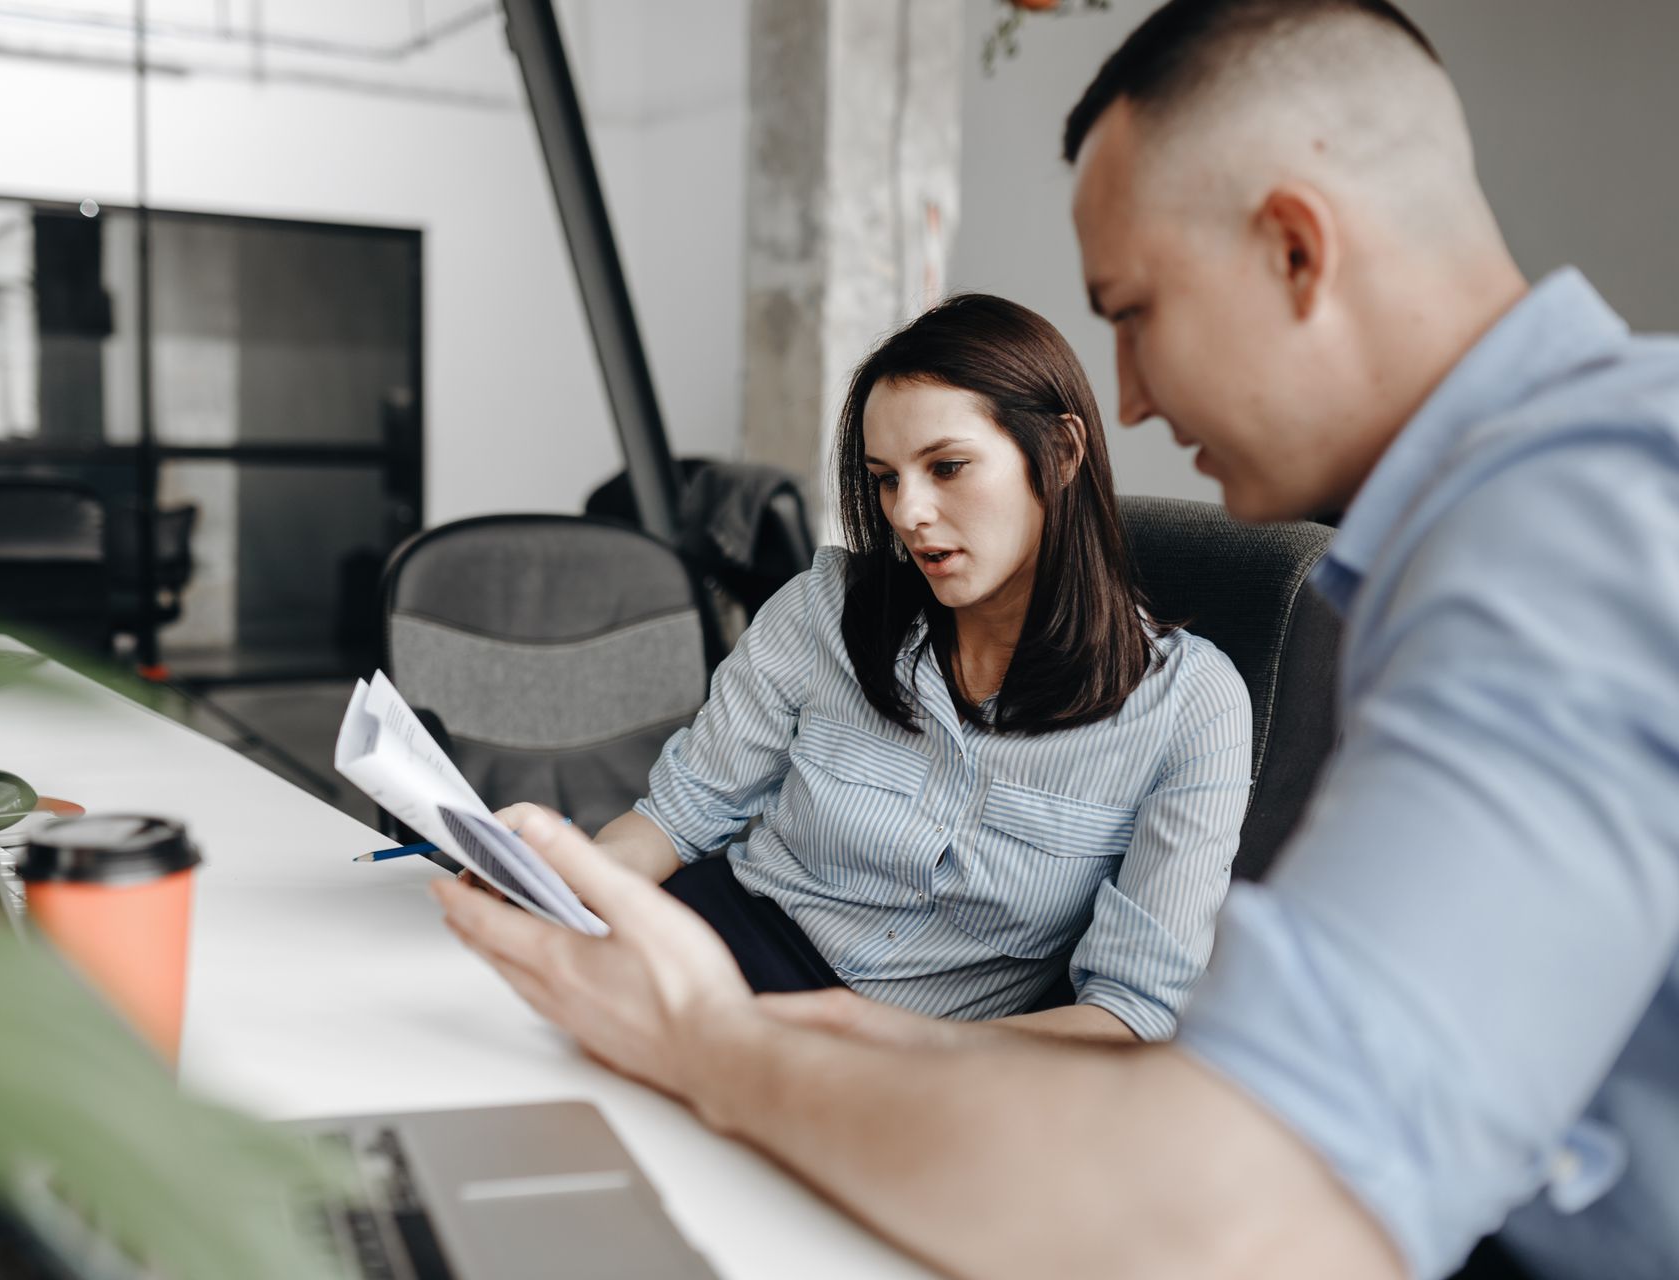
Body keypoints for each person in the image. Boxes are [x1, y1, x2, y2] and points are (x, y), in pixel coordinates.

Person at [433, 2, 1679, 1277]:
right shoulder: (1519, 521)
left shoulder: (1575, 529)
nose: (1130, 392)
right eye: (886, 478)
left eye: (1132, 312)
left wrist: (716, 1043)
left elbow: (1231, 1201)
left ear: (1297, 251)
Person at [506, 293, 1250, 1036]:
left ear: (1059, 452)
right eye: (886, 477)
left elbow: (1132, 1014)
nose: (907, 512)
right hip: (705, 954)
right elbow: (676, 818)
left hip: (917, 1054)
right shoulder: (823, 608)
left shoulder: (1191, 706)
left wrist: (884, 1057)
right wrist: (553, 877)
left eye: (947, 466)